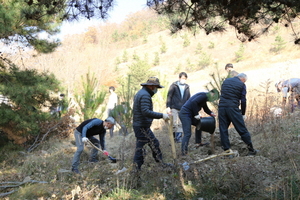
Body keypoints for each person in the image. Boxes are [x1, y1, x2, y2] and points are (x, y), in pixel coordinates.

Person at [132, 77, 170, 170]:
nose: (156, 89)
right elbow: (145, 111)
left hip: (141, 125)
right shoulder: (145, 95)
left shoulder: (141, 93)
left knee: (149, 144)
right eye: (156, 87)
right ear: (151, 86)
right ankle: (136, 169)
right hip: (141, 126)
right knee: (143, 147)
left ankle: (158, 163)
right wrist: (162, 115)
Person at [218, 73, 257, 156]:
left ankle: (227, 151)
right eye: (245, 81)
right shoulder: (242, 85)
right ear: (243, 79)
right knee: (241, 129)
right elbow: (243, 100)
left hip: (221, 107)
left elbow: (222, 93)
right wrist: (243, 113)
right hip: (232, 108)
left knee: (223, 129)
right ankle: (251, 149)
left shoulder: (226, 81)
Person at [179, 89, 218, 156]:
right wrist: (196, 114)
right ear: (212, 94)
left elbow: (205, 108)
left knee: (199, 124)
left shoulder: (204, 98)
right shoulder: (203, 96)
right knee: (187, 133)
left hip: (190, 114)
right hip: (185, 114)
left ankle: (198, 142)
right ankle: (184, 152)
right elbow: (194, 102)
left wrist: (211, 113)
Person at [166, 72, 191, 143]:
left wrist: (189, 107)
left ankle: (178, 138)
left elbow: (189, 98)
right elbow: (169, 96)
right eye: (182, 78)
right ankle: (173, 138)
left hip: (183, 108)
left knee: (181, 123)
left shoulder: (187, 87)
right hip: (174, 107)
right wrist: (168, 106)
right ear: (179, 78)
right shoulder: (174, 85)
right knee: (174, 123)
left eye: (185, 78)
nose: (184, 80)